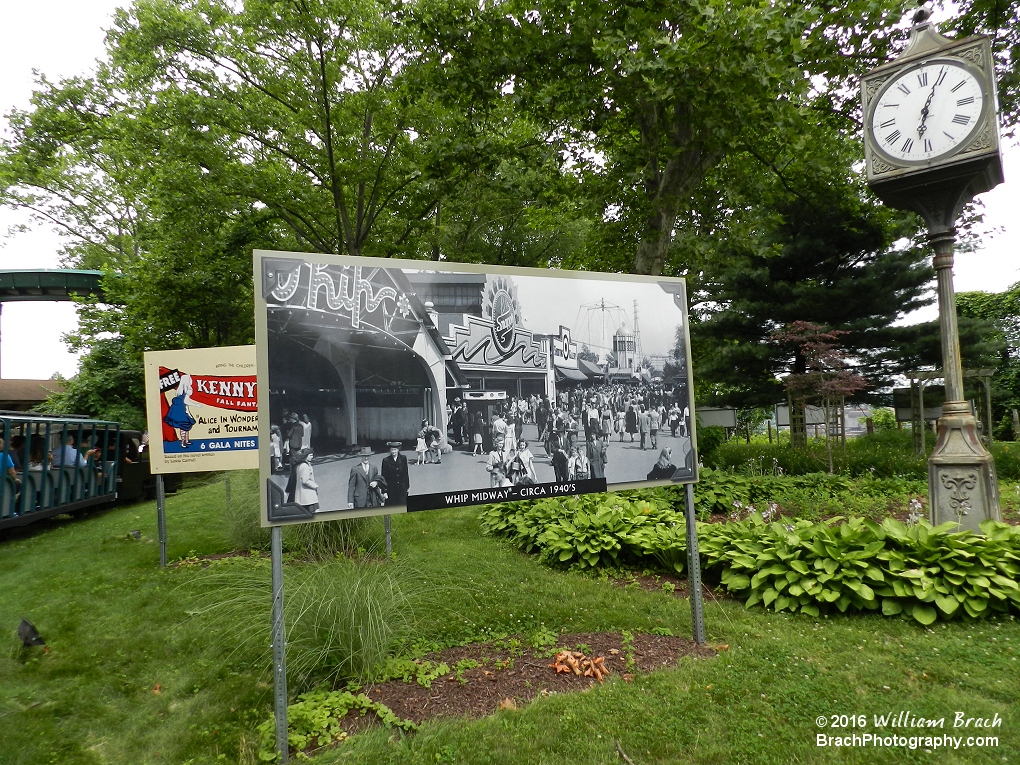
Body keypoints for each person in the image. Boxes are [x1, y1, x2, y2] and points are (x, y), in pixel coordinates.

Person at [163, 373, 197, 448]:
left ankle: (186, 441)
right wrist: (196, 405)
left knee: (185, 427)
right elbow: (186, 402)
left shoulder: (180, 391)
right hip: (181, 412)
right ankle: (183, 443)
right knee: (184, 426)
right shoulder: (186, 391)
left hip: (178, 411)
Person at [380, 441, 410, 506]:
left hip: (402, 488)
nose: (393, 451)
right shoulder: (386, 460)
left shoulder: (403, 458)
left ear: (398, 450)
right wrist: (384, 491)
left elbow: (406, 473)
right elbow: (383, 477)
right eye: (392, 450)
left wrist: (407, 486)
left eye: (395, 450)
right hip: (391, 490)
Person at [292, 448, 319, 513]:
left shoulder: (299, 465)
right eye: (310, 455)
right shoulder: (305, 466)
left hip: (302, 497)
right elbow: (305, 480)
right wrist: (315, 486)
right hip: (308, 496)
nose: (312, 457)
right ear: (306, 456)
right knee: (315, 512)